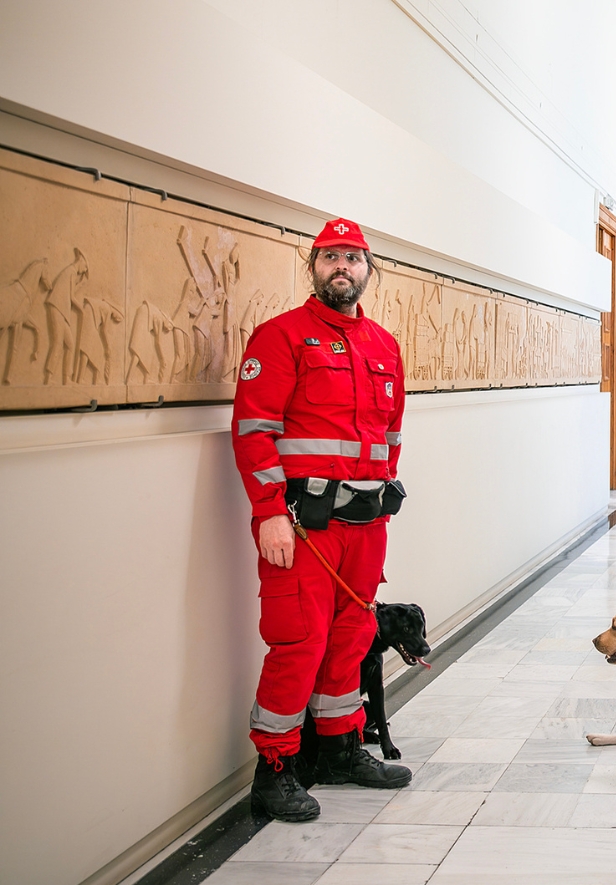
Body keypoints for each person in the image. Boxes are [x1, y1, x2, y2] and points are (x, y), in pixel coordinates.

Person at [231, 218, 411, 821]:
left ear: (368, 269)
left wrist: (381, 496)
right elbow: (254, 433)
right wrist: (268, 515)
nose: (343, 267)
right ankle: (275, 769)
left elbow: (390, 436)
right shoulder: (280, 337)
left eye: (353, 258)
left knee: (352, 637)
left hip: (366, 525)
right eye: (330, 256)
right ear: (313, 267)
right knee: (297, 642)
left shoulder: (384, 345)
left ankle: (339, 749)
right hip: (302, 526)